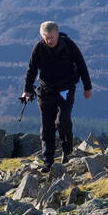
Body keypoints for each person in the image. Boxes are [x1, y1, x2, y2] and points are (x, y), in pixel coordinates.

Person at [22, 21, 92, 170]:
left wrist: (88, 88)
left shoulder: (68, 45)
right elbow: (31, 70)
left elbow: (81, 65)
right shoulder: (39, 48)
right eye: (46, 38)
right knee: (47, 128)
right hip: (46, 92)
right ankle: (48, 162)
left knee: (62, 121)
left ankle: (67, 152)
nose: (49, 41)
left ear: (57, 34)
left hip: (65, 90)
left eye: (52, 37)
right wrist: (27, 90)